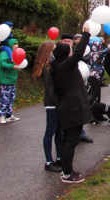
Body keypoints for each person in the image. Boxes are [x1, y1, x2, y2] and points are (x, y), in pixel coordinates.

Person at [51, 22, 94, 184]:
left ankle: (66, 169)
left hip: (70, 107)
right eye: (69, 50)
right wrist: (86, 34)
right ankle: (67, 174)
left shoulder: (60, 65)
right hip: (72, 108)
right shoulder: (64, 67)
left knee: (67, 139)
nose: (71, 53)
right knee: (71, 141)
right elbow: (77, 54)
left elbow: (74, 56)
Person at [33, 41, 62, 173]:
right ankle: (49, 161)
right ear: (48, 51)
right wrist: (58, 103)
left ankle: (60, 158)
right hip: (52, 103)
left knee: (59, 131)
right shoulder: (46, 67)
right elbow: (50, 88)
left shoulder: (52, 64)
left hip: (58, 102)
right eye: (54, 49)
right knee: (50, 131)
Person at [61, 33, 93, 143]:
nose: (66, 43)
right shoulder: (59, 55)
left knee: (80, 109)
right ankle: (65, 135)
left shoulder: (76, 53)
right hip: (66, 89)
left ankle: (80, 133)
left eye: (68, 41)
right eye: (64, 41)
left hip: (79, 84)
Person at [0, 38, 20, 124]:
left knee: (11, 98)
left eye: (17, 44)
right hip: (5, 80)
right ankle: (1, 116)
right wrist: (12, 66)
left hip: (12, 80)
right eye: (15, 44)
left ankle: (9, 115)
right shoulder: (4, 53)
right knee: (5, 98)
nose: (17, 46)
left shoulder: (15, 54)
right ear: (11, 45)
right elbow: (2, 63)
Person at [88, 40, 110, 122]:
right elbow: (107, 50)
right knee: (94, 97)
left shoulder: (92, 53)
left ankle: (98, 114)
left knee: (97, 97)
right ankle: (91, 116)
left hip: (97, 77)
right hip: (95, 77)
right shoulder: (95, 54)